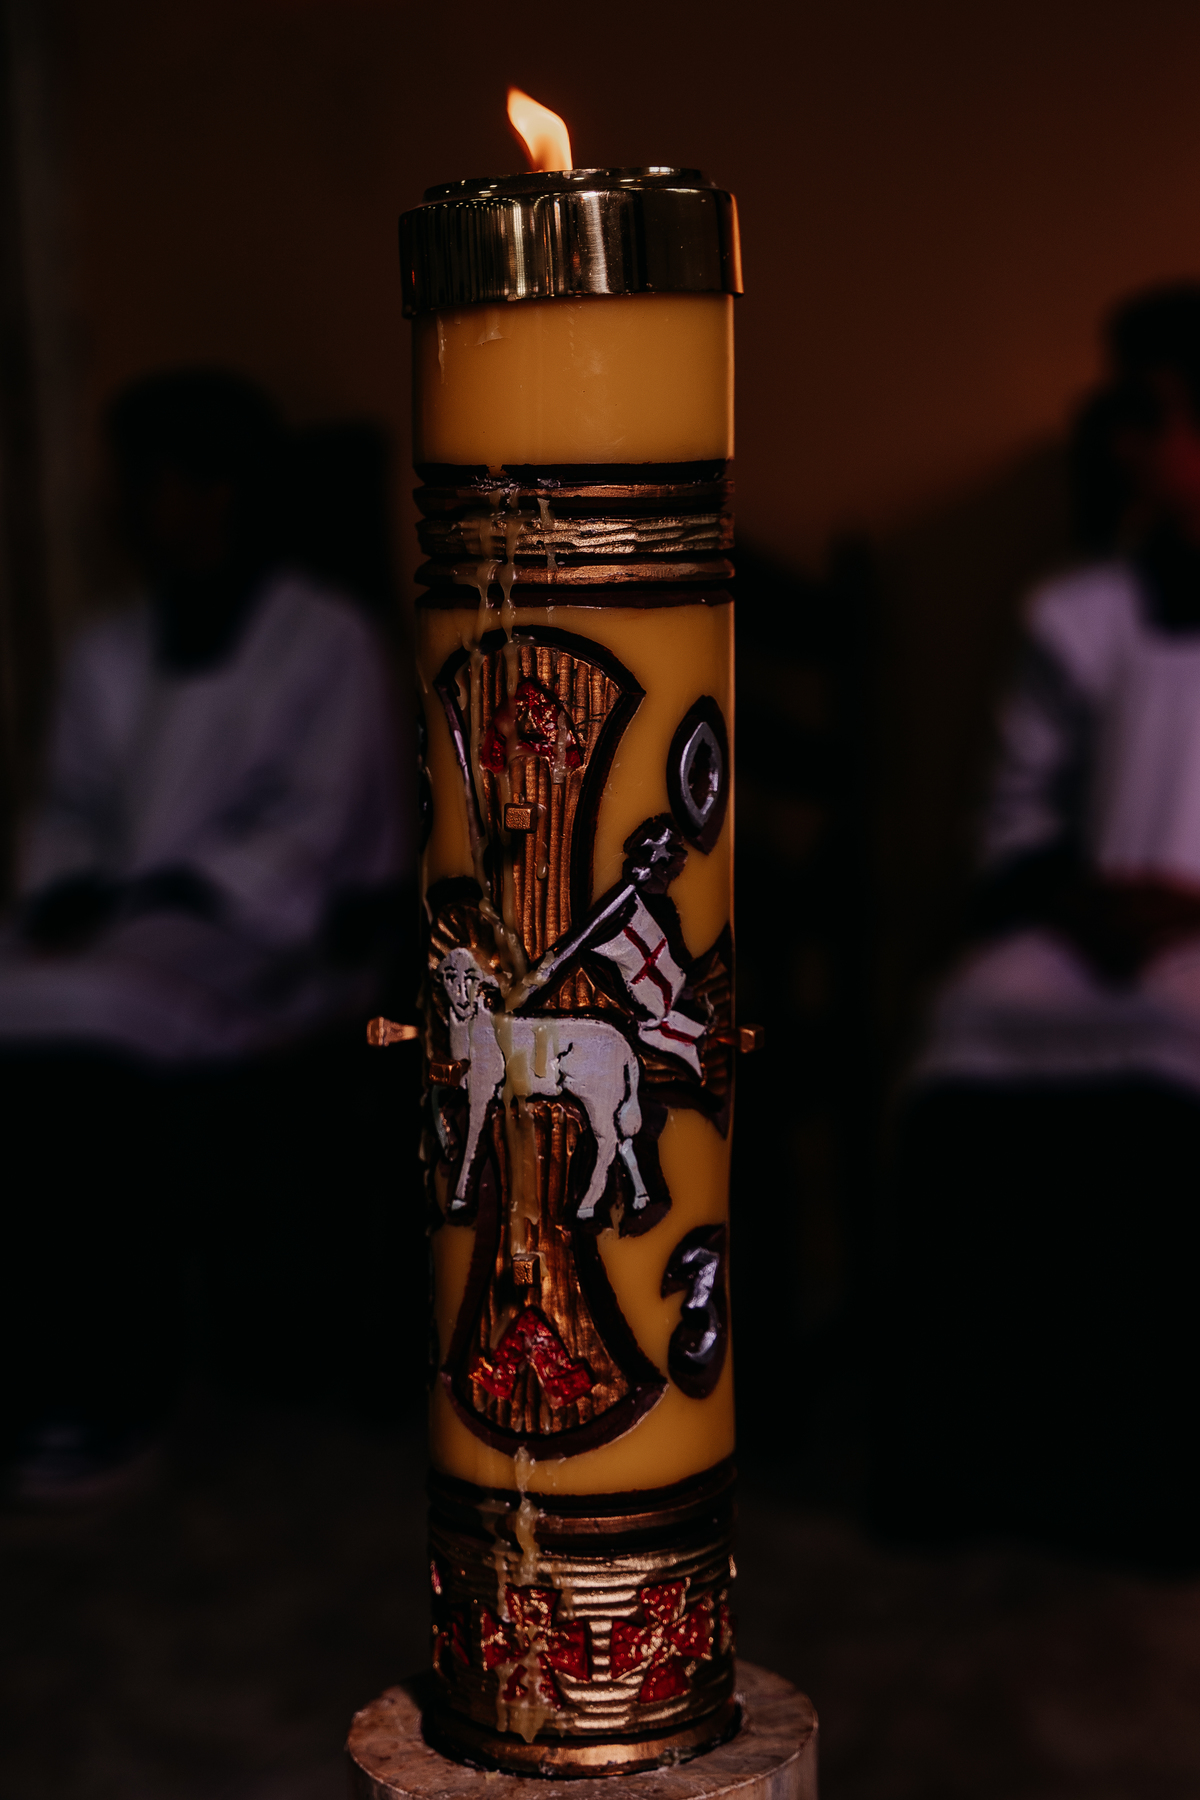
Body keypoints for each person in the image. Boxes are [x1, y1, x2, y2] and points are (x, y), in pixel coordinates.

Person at [0, 369, 410, 1498]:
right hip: (128, 925)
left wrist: (183, 885)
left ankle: (99, 1384)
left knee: (85, 1019)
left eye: (153, 481)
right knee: (44, 1002)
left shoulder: (324, 639)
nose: (130, 506)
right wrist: (69, 883)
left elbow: (322, 826)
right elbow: (71, 806)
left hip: (273, 943)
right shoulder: (110, 650)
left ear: (220, 491)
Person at [874, 286, 1200, 1564]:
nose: (1125, 443)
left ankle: (1157, 1480)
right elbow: (1015, 814)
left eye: (1152, 415)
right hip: (1087, 927)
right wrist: (1082, 899)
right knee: (969, 1041)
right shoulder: (1077, 615)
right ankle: (977, 1464)